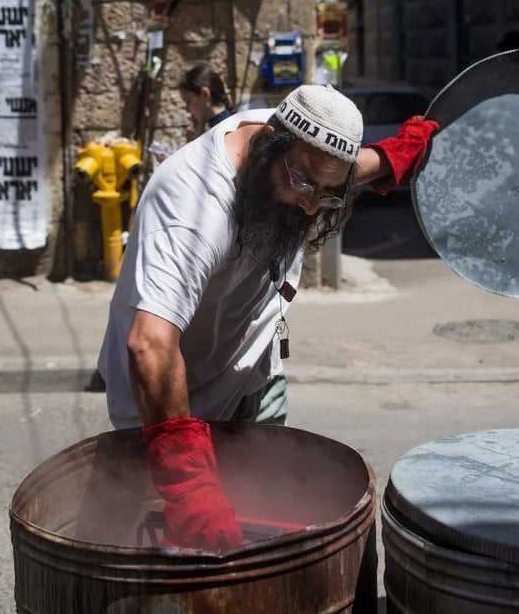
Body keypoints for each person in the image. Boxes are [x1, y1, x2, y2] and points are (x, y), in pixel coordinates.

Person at [96, 83, 438, 551]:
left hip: (253, 374)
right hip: (169, 404)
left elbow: (336, 171)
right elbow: (149, 346)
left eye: (329, 194)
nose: (312, 205)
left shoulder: (301, 158)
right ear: (266, 150)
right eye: (302, 185)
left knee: (261, 538)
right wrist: (190, 487)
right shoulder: (194, 205)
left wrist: (393, 157)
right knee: (159, 552)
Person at [178, 65, 234, 140]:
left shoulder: (226, 132)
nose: (187, 109)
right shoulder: (220, 126)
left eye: (188, 101)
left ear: (205, 94)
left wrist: (198, 139)